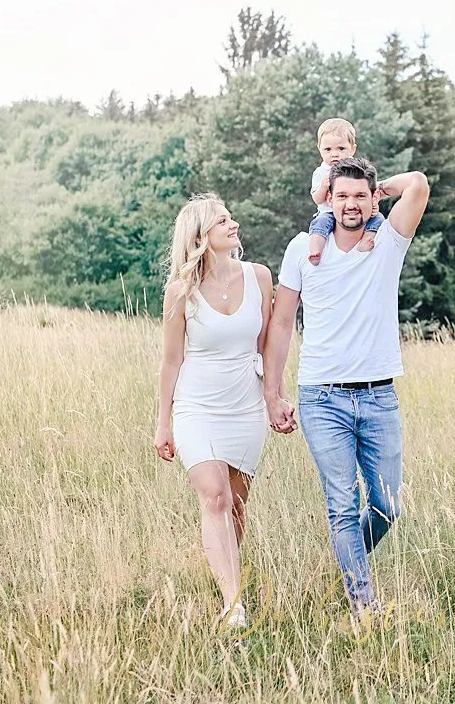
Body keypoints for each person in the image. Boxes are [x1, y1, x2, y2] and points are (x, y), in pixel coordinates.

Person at [263, 157, 430, 619]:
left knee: (387, 506)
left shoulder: (388, 242)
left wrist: (381, 191)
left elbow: (416, 185)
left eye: (360, 195)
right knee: (342, 503)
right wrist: (273, 392)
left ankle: (348, 556)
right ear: (328, 199)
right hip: (322, 396)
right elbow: (280, 323)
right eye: (343, 196)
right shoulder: (303, 248)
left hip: (379, 396)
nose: (351, 204)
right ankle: (363, 601)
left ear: (372, 198)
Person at [153, 193, 277, 630]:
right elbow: (171, 360)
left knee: (236, 507)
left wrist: (275, 397)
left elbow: (271, 347)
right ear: (201, 236)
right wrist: (163, 422)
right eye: (222, 220)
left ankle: (224, 574)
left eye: (231, 216)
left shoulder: (259, 277)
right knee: (216, 496)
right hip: (197, 407)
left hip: (245, 406)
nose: (233, 223)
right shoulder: (180, 292)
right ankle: (233, 605)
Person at [307, 118, 383, 266]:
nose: (334, 154)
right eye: (328, 150)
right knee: (319, 225)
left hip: (355, 216)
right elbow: (317, 199)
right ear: (319, 149)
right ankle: (315, 251)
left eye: (341, 149)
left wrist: (373, 204)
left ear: (352, 149)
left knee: (378, 219)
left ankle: (367, 240)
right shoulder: (320, 172)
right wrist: (323, 187)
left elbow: (369, 190)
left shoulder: (357, 169)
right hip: (327, 212)